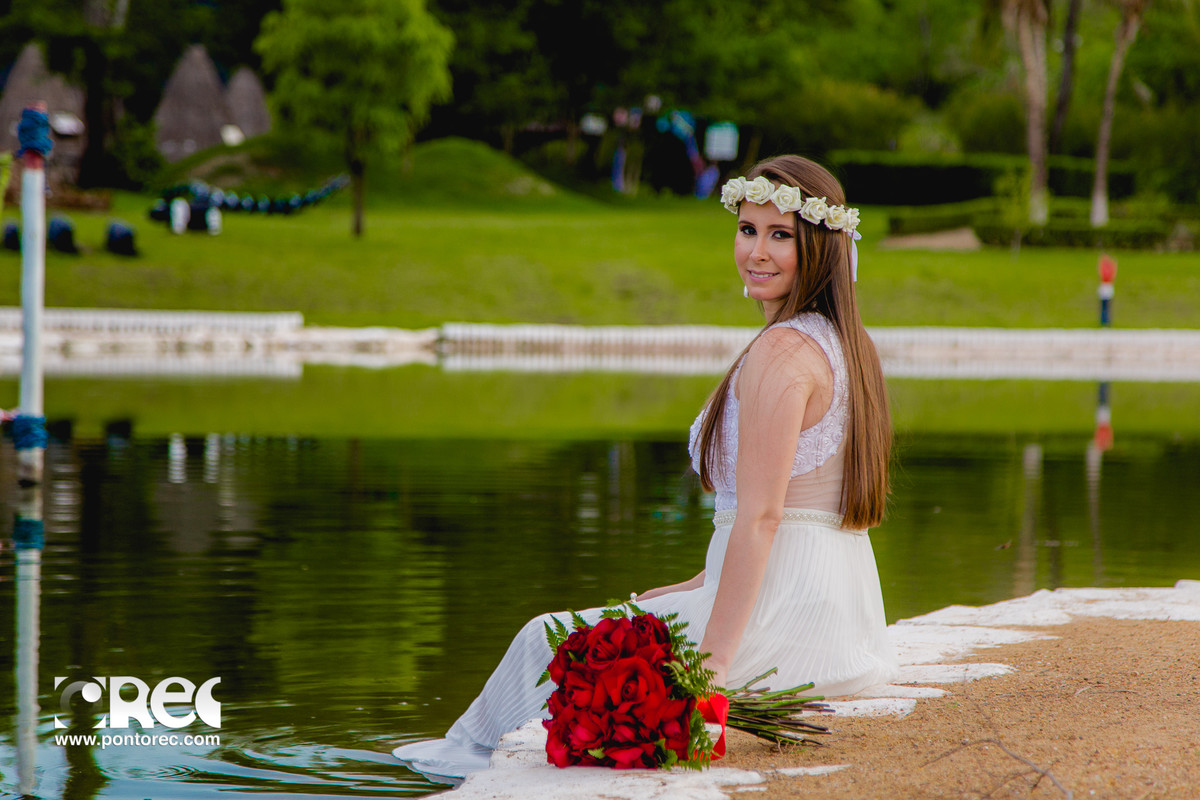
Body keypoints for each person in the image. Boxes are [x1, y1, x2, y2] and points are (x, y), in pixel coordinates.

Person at [392, 154, 897, 779]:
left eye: (780, 235)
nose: (757, 252)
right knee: (604, 631)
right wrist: (695, 586)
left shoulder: (783, 351)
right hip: (839, 618)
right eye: (747, 229)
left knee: (543, 642)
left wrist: (709, 675)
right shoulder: (843, 341)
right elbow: (800, 508)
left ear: (819, 246)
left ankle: (458, 773)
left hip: (783, 624)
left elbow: (764, 518)